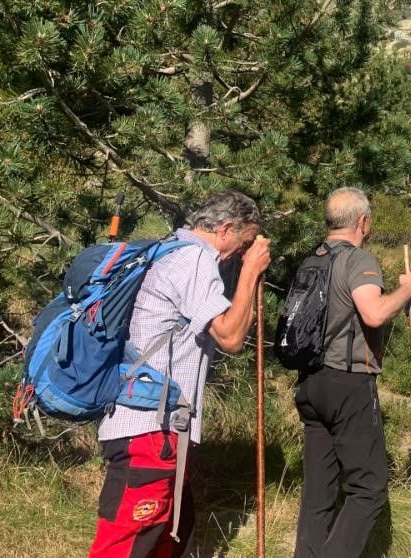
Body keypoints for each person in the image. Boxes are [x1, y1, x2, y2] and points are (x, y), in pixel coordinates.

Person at [89, 190, 271, 557]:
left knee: (168, 541)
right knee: (125, 546)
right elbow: (231, 336)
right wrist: (251, 272)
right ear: (225, 228)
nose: (242, 253)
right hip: (150, 431)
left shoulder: (168, 249)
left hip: (150, 426)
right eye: (244, 243)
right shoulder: (194, 260)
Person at [294, 187, 411, 557]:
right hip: (348, 381)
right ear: (362, 222)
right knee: (368, 489)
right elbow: (374, 313)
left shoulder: (312, 260)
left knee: (319, 491)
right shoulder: (358, 260)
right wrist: (408, 289)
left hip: (310, 382)